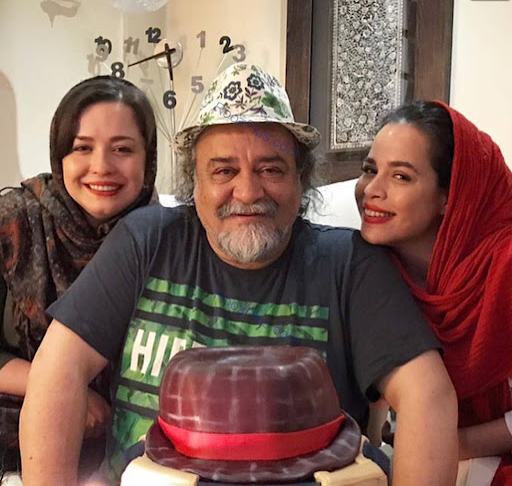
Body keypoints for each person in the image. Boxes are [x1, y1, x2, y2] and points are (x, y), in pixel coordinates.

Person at [20, 64, 457, 486]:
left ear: (300, 180)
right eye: (224, 171)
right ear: (195, 184)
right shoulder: (145, 241)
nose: (247, 192)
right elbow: (60, 369)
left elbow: (427, 396)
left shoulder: (349, 263)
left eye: (271, 169)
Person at [0, 75, 157, 474]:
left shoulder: (166, 238)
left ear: (148, 159)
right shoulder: (14, 220)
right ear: (60, 156)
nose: (101, 167)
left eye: (122, 149)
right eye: (82, 148)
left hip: (136, 454)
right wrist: (64, 390)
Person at [355, 100, 512, 485]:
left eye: (401, 176)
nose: (372, 190)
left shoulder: (504, 268)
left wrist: (442, 443)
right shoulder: (367, 267)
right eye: (370, 169)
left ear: (449, 195)